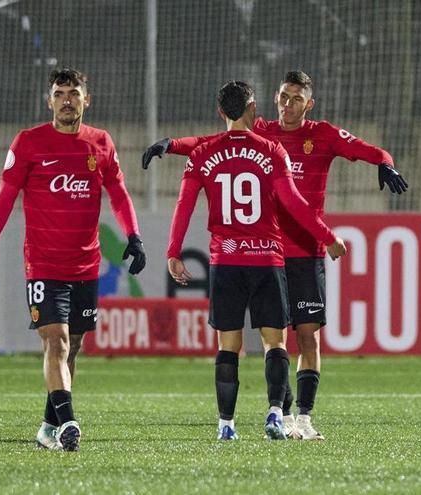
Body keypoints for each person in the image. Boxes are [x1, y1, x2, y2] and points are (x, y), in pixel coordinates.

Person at [143, 70, 407, 440]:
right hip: (272, 252)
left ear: (308, 104)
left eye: (296, 99)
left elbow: (370, 150)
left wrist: (385, 162)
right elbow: (212, 141)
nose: (287, 104)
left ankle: (303, 416)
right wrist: (172, 144)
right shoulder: (263, 133)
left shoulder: (323, 134)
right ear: (272, 100)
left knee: (308, 335)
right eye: (283, 96)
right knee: (277, 336)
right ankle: (279, 413)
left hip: (307, 251)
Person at [167, 80, 346, 441]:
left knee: (227, 346)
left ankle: (226, 426)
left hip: (225, 261)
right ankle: (276, 414)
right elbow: (295, 204)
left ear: (221, 112)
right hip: (266, 258)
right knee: (275, 343)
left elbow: (183, 206)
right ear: (252, 109)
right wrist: (329, 237)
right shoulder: (272, 150)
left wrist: (174, 251)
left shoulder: (202, 154)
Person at [0, 68, 146, 452]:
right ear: (50, 101)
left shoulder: (101, 143)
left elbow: (120, 194)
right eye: (60, 93)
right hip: (43, 264)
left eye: (74, 93)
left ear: (86, 100)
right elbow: (5, 198)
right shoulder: (29, 143)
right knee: (55, 343)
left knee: (71, 347)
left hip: (86, 264)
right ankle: (69, 422)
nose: (67, 99)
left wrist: (134, 235)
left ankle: (48, 427)